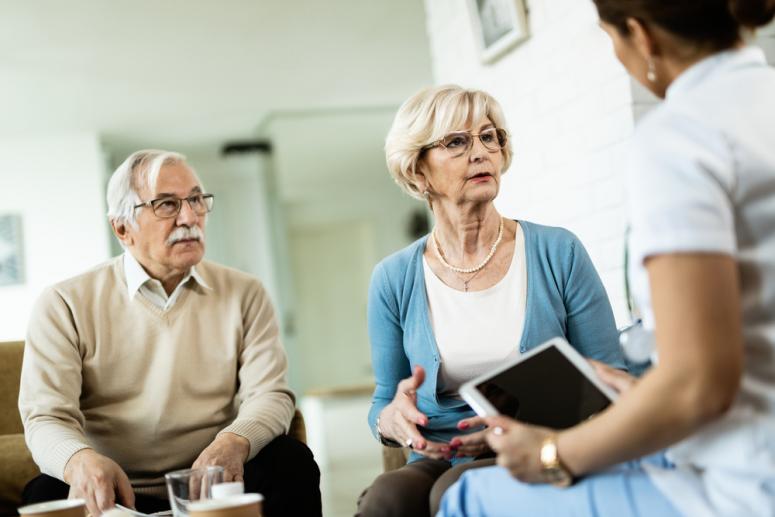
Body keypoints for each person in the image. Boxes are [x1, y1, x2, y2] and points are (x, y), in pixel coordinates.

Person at [439, 1, 775, 516]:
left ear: (642, 36)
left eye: (610, 38)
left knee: (467, 498)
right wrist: (648, 385)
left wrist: (551, 454)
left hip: (746, 483)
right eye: (457, 143)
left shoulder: (680, 139)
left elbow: (700, 385)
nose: (479, 153)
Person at [356, 85, 625, 516]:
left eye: (489, 136)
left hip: (537, 445)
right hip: (439, 454)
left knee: (457, 493)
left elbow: (615, 378)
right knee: (388, 498)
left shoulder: (558, 251)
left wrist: (534, 422)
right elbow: (384, 401)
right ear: (418, 172)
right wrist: (392, 421)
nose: (480, 152)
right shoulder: (393, 278)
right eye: (457, 142)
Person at [18, 150, 321, 517]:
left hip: (217, 480)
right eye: (166, 204)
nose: (190, 217)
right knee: (45, 493)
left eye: (196, 199)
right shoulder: (63, 303)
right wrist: (79, 460)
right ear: (122, 228)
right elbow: (46, 417)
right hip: (115, 489)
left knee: (291, 461)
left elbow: (271, 394)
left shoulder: (246, 293)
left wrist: (234, 440)